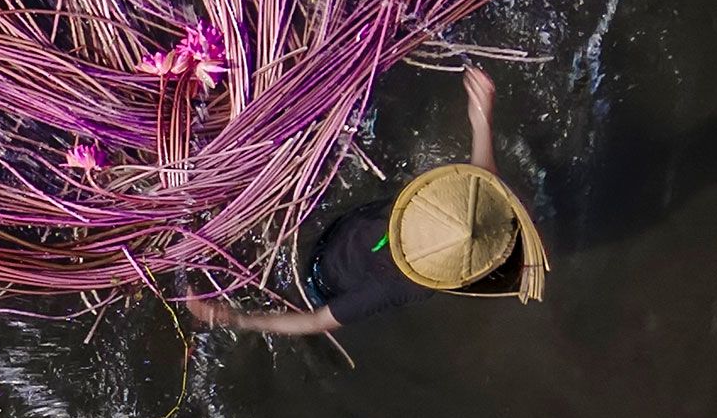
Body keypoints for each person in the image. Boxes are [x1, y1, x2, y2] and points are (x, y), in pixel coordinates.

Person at [186, 67, 545, 339]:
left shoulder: (392, 285)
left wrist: (233, 318)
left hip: (321, 276)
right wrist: (482, 115)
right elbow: (483, 183)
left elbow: (316, 320)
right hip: (357, 226)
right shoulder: (467, 226)